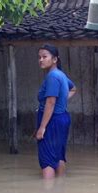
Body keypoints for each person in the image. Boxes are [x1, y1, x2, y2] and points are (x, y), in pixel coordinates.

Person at [36, 44, 77, 179]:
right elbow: (73, 89)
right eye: (39, 57)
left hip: (52, 120)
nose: (41, 60)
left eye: (45, 57)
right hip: (62, 118)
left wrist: (42, 127)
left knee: (47, 159)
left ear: (55, 59)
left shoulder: (52, 76)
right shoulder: (61, 75)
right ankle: (59, 189)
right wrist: (62, 102)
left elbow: (51, 102)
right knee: (58, 155)